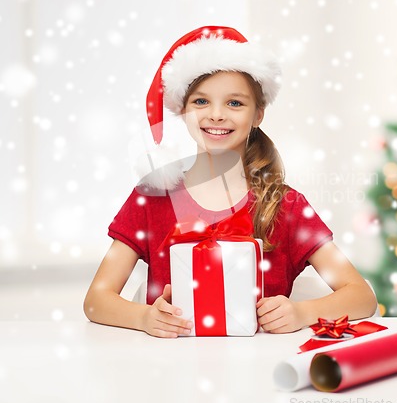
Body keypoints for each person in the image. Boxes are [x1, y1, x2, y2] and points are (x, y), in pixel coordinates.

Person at [84, 26, 377, 338]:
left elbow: (361, 296)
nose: (217, 115)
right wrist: (144, 318)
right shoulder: (152, 197)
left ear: (258, 114)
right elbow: (96, 301)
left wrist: (303, 312)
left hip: (261, 369)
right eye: (201, 102)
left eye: (235, 103)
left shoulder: (287, 206)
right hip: (169, 372)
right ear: (183, 111)